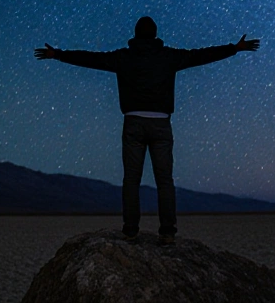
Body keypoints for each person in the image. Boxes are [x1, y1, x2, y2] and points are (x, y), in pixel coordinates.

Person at [34, 16, 259, 245]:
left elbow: (92, 59)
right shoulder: (169, 56)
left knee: (131, 180)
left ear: (135, 34)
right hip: (161, 124)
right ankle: (168, 232)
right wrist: (234, 48)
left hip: (133, 123)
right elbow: (200, 56)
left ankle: (130, 230)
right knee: (165, 181)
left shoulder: (123, 57)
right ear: (155, 34)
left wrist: (59, 54)